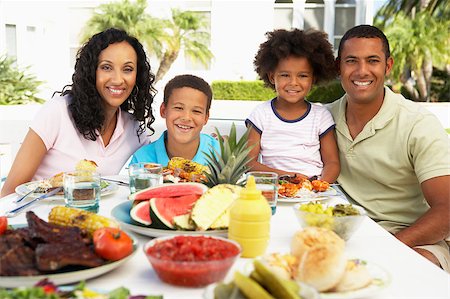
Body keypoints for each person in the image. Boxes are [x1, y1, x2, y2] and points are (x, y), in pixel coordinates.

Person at [329, 24, 450, 271]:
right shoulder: (321, 120)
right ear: (338, 67)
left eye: (372, 61)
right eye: (351, 61)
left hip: (412, 238)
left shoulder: (418, 123)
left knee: (409, 271)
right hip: (343, 234)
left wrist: (388, 248)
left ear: (388, 66)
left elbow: (447, 208)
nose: (362, 71)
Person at [1, 28, 156, 197]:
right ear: (91, 72)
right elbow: (9, 193)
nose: (118, 79)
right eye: (106, 67)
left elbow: (157, 170)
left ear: (137, 75)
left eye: (127, 69)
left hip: (90, 219)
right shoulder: (57, 112)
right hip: (37, 217)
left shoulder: (135, 129)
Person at [246, 28, 340, 183]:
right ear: (271, 77)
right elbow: (249, 162)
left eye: (302, 76)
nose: (293, 83)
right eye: (285, 75)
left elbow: (333, 163)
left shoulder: (320, 116)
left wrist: (320, 185)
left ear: (313, 79)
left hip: (314, 190)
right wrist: (288, 177)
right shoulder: (261, 114)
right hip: (276, 187)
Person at [130, 74, 219, 166]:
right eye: (179, 108)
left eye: (196, 111)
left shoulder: (221, 155)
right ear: (163, 110)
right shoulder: (142, 159)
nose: (186, 117)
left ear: (206, 118)